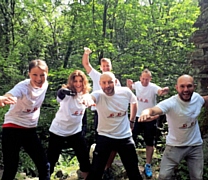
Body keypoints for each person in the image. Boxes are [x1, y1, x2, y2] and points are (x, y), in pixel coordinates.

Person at [139, 75, 208, 180]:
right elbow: (154, 110)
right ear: (176, 88)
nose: (186, 90)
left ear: (194, 86)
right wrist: (146, 112)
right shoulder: (171, 103)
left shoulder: (196, 98)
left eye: (189, 86)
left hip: (195, 146)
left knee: (197, 177)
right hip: (174, 146)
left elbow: (204, 101)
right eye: (182, 86)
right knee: (163, 176)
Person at [0, 59, 50, 180]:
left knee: (44, 165)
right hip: (12, 128)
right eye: (34, 75)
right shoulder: (23, 87)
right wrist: (2, 99)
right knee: (11, 167)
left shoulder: (45, 84)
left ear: (47, 74)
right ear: (29, 74)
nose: (39, 79)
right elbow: (5, 97)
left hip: (30, 130)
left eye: (42, 75)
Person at [84, 72, 142, 180]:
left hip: (124, 137)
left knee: (133, 171)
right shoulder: (98, 95)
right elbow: (90, 97)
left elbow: (134, 101)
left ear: (115, 82)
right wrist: (87, 99)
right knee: (95, 172)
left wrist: (132, 120)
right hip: (105, 137)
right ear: (100, 84)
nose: (107, 86)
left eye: (110, 82)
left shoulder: (125, 92)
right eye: (104, 83)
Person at [47, 70, 93, 179]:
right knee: (51, 159)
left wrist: (88, 100)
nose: (78, 84)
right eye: (75, 81)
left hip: (75, 131)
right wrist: (62, 92)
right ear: (71, 82)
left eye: (80, 81)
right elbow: (59, 96)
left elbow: (89, 100)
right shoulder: (66, 93)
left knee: (84, 158)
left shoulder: (85, 95)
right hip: (58, 130)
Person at [82, 47, 121, 176]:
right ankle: (99, 168)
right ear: (100, 67)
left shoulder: (116, 81)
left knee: (114, 139)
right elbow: (86, 65)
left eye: (108, 66)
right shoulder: (97, 76)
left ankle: (107, 167)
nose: (106, 68)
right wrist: (86, 53)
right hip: (99, 112)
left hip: (113, 114)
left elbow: (120, 97)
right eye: (104, 66)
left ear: (111, 67)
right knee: (101, 139)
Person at [126, 68, 169, 178]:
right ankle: (131, 163)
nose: (144, 81)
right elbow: (129, 89)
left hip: (150, 118)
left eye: (147, 79)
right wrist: (129, 85)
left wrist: (163, 91)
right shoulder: (137, 84)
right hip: (137, 116)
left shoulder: (153, 87)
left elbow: (159, 92)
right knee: (130, 140)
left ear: (150, 79)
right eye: (143, 79)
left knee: (149, 142)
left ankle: (148, 165)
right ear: (140, 78)